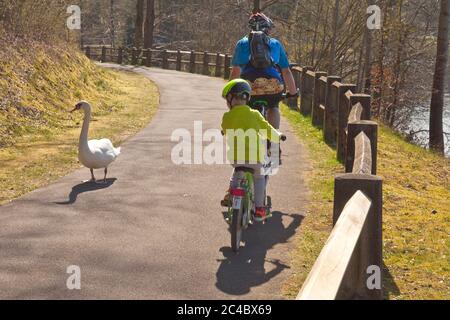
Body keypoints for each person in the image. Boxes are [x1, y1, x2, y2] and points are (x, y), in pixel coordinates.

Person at [221, 79, 282, 222]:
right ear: (246, 98)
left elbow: (224, 129)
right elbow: (267, 129)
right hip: (255, 158)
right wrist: (278, 136)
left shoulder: (227, 116)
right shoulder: (255, 114)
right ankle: (260, 209)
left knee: (237, 172)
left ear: (231, 98)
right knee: (259, 178)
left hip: (236, 158)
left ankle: (232, 193)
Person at [230, 12, 298, 130]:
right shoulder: (275, 44)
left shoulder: (242, 43)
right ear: (268, 29)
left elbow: (236, 71)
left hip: (249, 86)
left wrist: (230, 92)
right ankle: (274, 140)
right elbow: (286, 71)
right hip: (273, 85)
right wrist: (293, 92)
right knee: (273, 106)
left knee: (241, 106)